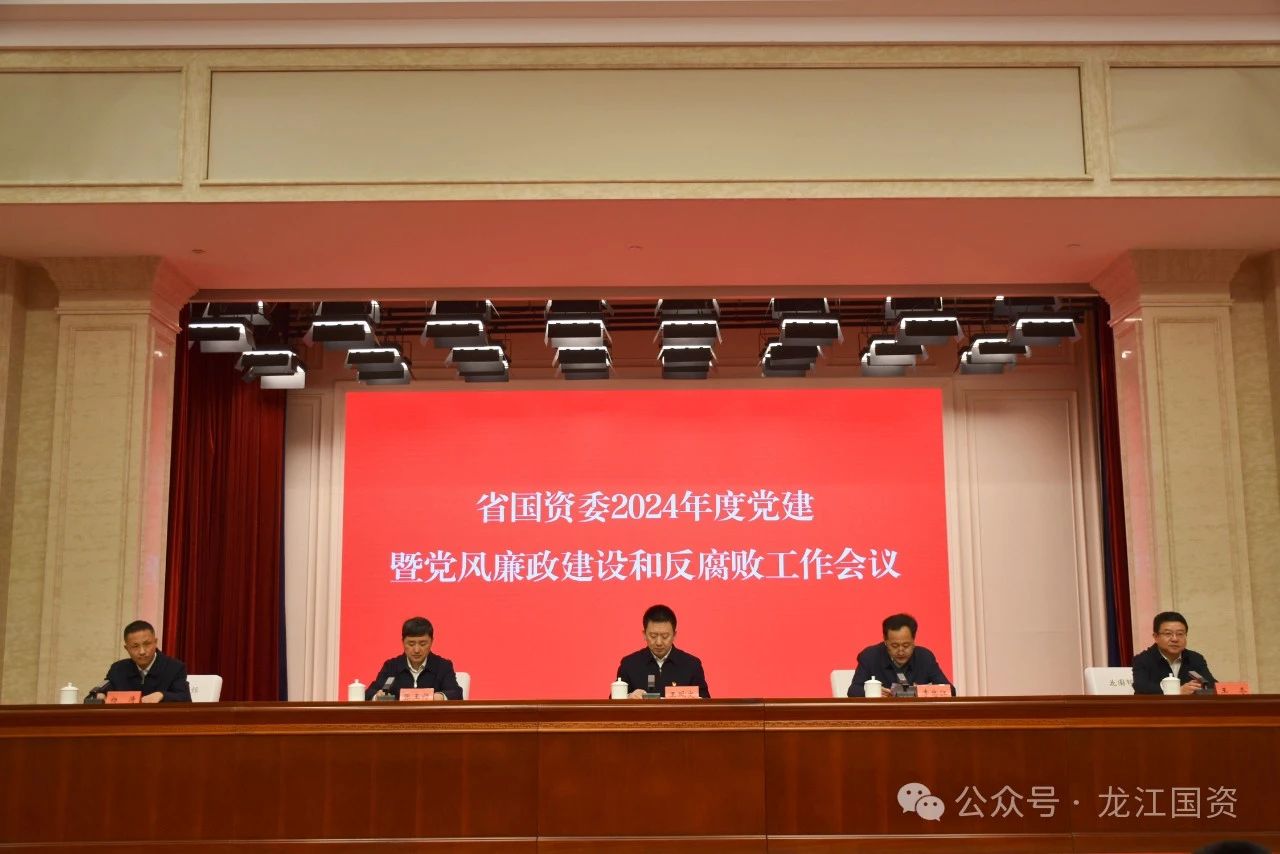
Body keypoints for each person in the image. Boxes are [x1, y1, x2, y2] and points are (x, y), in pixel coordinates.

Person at [848, 613, 954, 697]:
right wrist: (873, 692)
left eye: (906, 645)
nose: (901, 651)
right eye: (894, 646)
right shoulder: (870, 656)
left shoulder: (925, 657)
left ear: (914, 640)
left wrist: (922, 691)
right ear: (885, 641)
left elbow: (951, 691)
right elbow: (853, 691)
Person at [616, 604, 710, 698]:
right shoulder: (629, 664)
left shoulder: (692, 665)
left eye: (665, 636)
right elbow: (614, 701)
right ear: (644, 634)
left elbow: (706, 703)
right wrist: (629, 697)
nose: (659, 642)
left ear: (674, 635)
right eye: (653, 636)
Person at [91, 620, 191, 703]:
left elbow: (185, 698)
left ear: (155, 642)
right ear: (127, 648)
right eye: (135, 646)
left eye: (147, 644)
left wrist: (162, 695)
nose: (142, 651)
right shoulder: (118, 669)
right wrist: (99, 696)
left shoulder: (174, 667)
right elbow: (98, 692)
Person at [366, 616, 463, 701]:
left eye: (423, 644)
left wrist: (440, 697)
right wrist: (377, 696)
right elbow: (369, 693)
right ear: (403, 642)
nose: (416, 650)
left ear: (431, 642)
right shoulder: (391, 666)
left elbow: (456, 693)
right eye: (411, 644)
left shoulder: (443, 666)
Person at [1132, 611, 1217, 695]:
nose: (1175, 639)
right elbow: (1141, 687)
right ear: (1156, 637)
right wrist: (1177, 691)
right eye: (1168, 634)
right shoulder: (1143, 660)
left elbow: (1211, 685)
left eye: (1180, 634)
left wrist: (1199, 688)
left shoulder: (1195, 659)